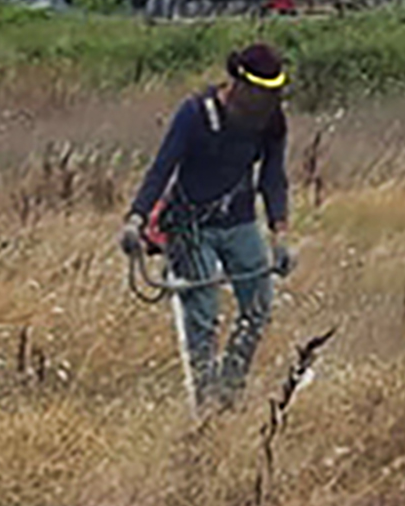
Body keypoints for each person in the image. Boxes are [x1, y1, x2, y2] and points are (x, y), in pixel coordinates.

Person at [122, 42, 294, 412]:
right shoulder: (195, 114)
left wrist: (279, 233)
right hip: (190, 227)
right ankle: (204, 406)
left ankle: (228, 393)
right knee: (203, 319)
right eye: (261, 94)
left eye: (273, 95)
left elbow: (273, 178)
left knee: (259, 308)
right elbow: (162, 168)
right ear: (240, 84)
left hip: (240, 223)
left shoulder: (272, 122)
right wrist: (135, 219)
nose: (266, 104)